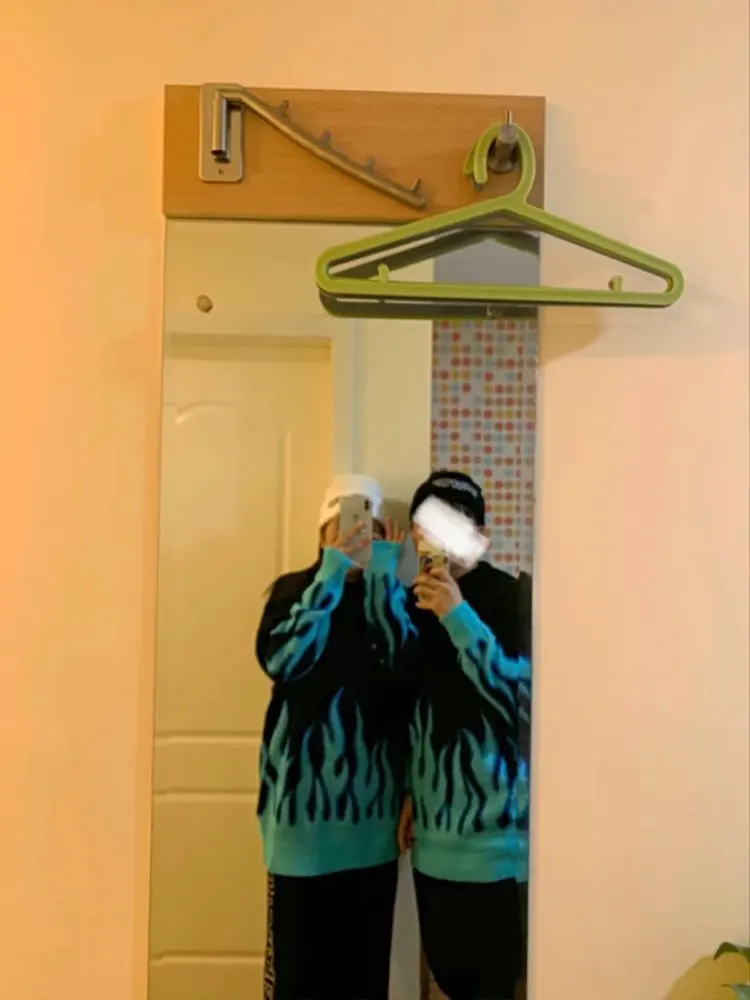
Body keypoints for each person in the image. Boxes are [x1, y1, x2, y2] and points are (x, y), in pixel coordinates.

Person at [255, 473, 415, 1000]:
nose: (356, 535)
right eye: (344, 524)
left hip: (372, 833)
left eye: (368, 526)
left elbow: (403, 674)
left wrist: (383, 584)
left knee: (362, 983)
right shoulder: (291, 593)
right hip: (299, 833)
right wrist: (328, 580)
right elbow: (284, 661)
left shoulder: (390, 599)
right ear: (324, 532)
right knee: (297, 983)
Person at [399, 470, 532, 1000]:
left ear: (479, 535)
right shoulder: (409, 606)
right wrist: (409, 788)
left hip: (499, 851)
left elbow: (521, 705)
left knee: (497, 985)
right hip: (433, 848)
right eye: (426, 526)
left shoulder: (514, 598)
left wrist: (458, 616)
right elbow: (410, 711)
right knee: (449, 981)